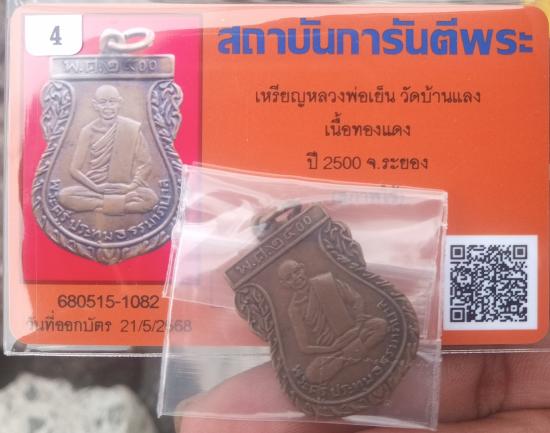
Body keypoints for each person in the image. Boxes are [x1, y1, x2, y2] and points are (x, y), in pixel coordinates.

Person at [278, 259, 387, 384]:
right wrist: (331, 348)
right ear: (284, 283)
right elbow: (304, 347)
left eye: (297, 271)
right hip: (333, 347)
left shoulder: (325, 282)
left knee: (380, 325)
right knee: (312, 374)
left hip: (353, 331)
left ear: (303, 268)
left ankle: (345, 357)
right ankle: (353, 353)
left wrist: (358, 325)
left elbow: (357, 299)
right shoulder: (294, 309)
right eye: (289, 277)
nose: (296, 278)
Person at [58, 85, 159, 216]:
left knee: (151, 199)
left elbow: (145, 163)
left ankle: (102, 205)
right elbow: (74, 169)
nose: (108, 107)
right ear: (95, 105)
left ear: (119, 103)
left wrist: (131, 186)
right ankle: (118, 205)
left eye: (112, 102)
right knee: (64, 196)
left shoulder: (131, 128)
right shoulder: (88, 131)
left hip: (125, 188)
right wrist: (96, 188)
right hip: (96, 188)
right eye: (103, 102)